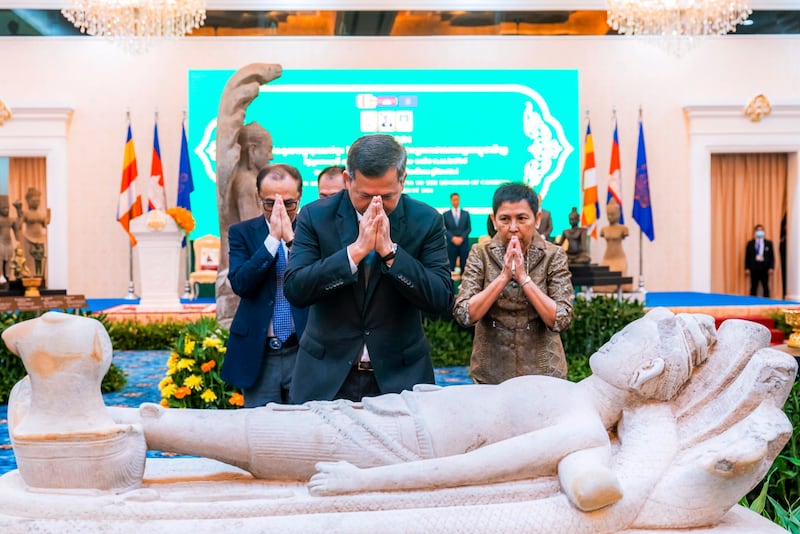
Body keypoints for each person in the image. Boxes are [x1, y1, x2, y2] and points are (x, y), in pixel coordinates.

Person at [112, 309, 716, 514]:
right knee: (280, 426)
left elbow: (471, 470)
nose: (615, 338)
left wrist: (362, 483)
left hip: (401, 447)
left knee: (274, 435)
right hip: (406, 410)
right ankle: (141, 428)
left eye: (629, 338)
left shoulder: (581, 431)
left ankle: (143, 431)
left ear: (646, 373)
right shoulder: (572, 395)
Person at [284, 134, 453, 404]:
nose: (376, 204)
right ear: (347, 180)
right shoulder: (315, 216)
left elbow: (440, 299)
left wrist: (391, 254)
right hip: (324, 376)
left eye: (387, 196)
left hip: (400, 377)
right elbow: (296, 289)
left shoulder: (426, 220)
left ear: (403, 181)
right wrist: (355, 252)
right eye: (364, 195)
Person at [453, 183, 573, 383]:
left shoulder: (554, 255)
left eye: (522, 218)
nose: (513, 228)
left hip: (543, 375)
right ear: (494, 220)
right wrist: (503, 277)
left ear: (537, 219)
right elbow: (464, 314)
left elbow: (561, 319)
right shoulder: (480, 253)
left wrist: (524, 278)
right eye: (505, 219)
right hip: (491, 374)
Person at [220, 164, 308, 407]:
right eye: (270, 203)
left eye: (289, 203)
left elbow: (316, 279)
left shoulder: (312, 232)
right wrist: (272, 241)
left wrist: (290, 241)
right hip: (259, 352)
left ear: (300, 197)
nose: (279, 209)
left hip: (302, 349)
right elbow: (241, 284)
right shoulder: (242, 232)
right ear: (259, 197)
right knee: (260, 425)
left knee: (306, 424)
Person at [215, 63, 281, 328]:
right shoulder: (245, 183)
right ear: (252, 150)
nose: (271, 156)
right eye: (268, 149)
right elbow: (252, 229)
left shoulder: (251, 180)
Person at [13, 187, 50, 279]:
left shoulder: (41, 213)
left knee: (40, 259)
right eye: (34, 201)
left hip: (40, 238)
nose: (36, 202)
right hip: (29, 238)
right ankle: (30, 277)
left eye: (38, 201)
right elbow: (18, 225)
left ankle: (40, 276)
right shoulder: (26, 213)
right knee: (30, 260)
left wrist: (49, 216)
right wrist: (18, 211)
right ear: (28, 201)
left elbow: (45, 224)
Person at [598, 198, 631, 291]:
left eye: (612, 214)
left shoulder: (623, 229)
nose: (610, 217)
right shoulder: (604, 230)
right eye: (608, 215)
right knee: (599, 284)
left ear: (618, 214)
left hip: (619, 258)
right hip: (607, 259)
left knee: (621, 282)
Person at [442, 192, 471, 274]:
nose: (456, 201)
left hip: (463, 244)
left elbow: (468, 228)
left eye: (457, 199)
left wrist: (461, 238)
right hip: (451, 244)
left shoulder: (466, 214)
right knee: (450, 268)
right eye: (454, 200)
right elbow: (444, 229)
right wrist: (453, 238)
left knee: (465, 267)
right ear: (451, 201)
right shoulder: (445, 214)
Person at [744, 223, 775, 297]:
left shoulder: (768, 243)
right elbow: (747, 257)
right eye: (758, 230)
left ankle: (766, 302)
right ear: (755, 232)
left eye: (761, 230)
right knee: (753, 287)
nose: (759, 232)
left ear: (763, 232)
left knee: (765, 286)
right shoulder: (750, 243)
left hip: (765, 267)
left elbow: (771, 256)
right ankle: (752, 302)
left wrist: (771, 267)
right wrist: (747, 268)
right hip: (754, 267)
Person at [0, 195, 17, 283]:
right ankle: (1, 275)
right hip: (1, 242)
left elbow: (17, 229)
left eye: (8, 208)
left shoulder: (11, 220)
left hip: (9, 243)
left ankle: (8, 275)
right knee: (0, 259)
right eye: (4, 208)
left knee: (9, 260)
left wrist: (19, 211)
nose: (6, 210)